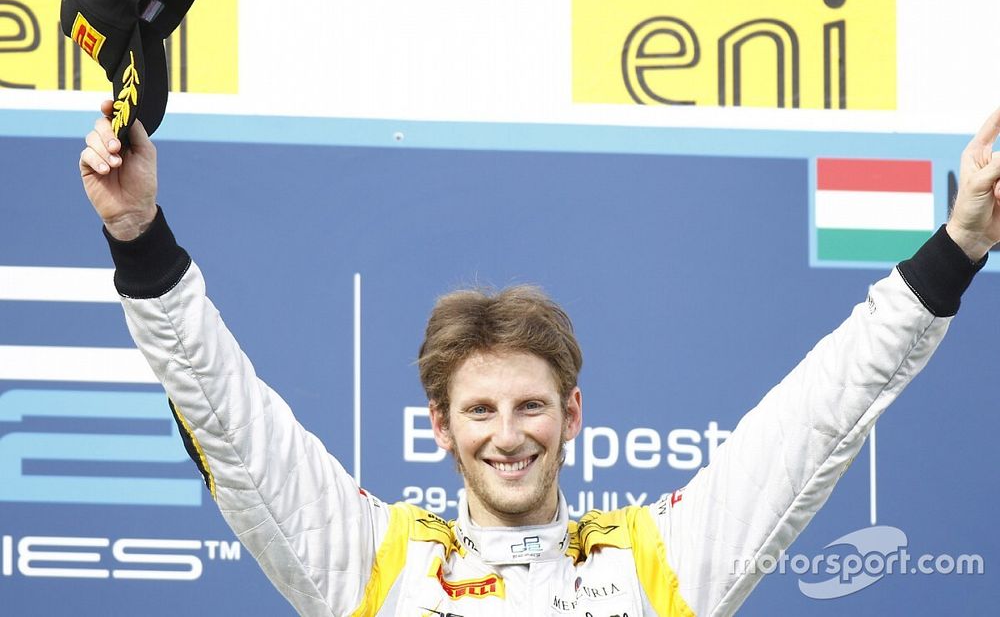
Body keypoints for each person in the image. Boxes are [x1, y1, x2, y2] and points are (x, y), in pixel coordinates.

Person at [78, 99, 1000, 616]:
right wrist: (138, 234)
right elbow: (232, 425)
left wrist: (957, 246)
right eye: (480, 411)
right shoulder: (377, 562)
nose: (507, 435)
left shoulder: (655, 561)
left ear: (572, 416)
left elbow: (822, 416)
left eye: (530, 406)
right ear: (439, 427)